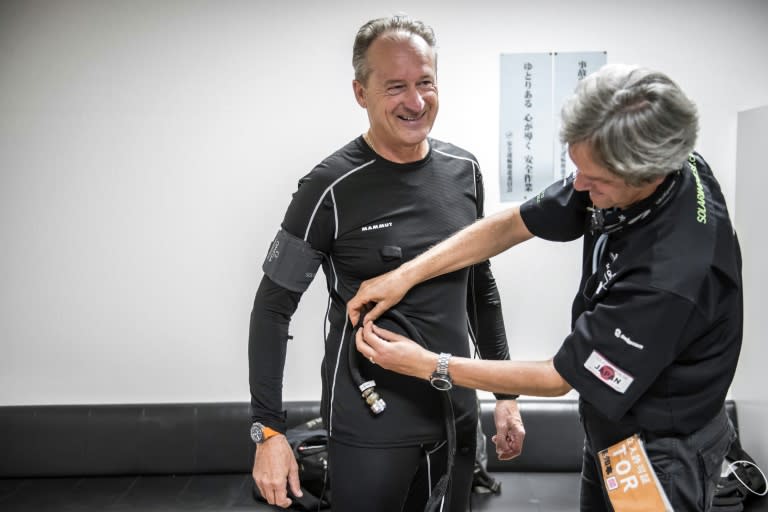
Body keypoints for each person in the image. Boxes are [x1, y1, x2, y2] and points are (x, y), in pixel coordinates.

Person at [350, 63, 743, 511]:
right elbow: (515, 224)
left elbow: (558, 377)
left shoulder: (671, 276)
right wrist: (406, 275)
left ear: (649, 176)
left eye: (594, 181)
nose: (578, 186)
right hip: (612, 428)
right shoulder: (642, 161)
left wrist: (428, 365)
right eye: (576, 166)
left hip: (662, 450)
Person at [248, 14, 525, 512]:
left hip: (456, 413)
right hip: (369, 421)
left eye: (425, 83)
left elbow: (480, 289)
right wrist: (268, 431)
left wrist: (504, 395)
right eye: (395, 86)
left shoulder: (465, 171)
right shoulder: (328, 188)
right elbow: (272, 307)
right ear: (361, 92)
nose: (415, 102)